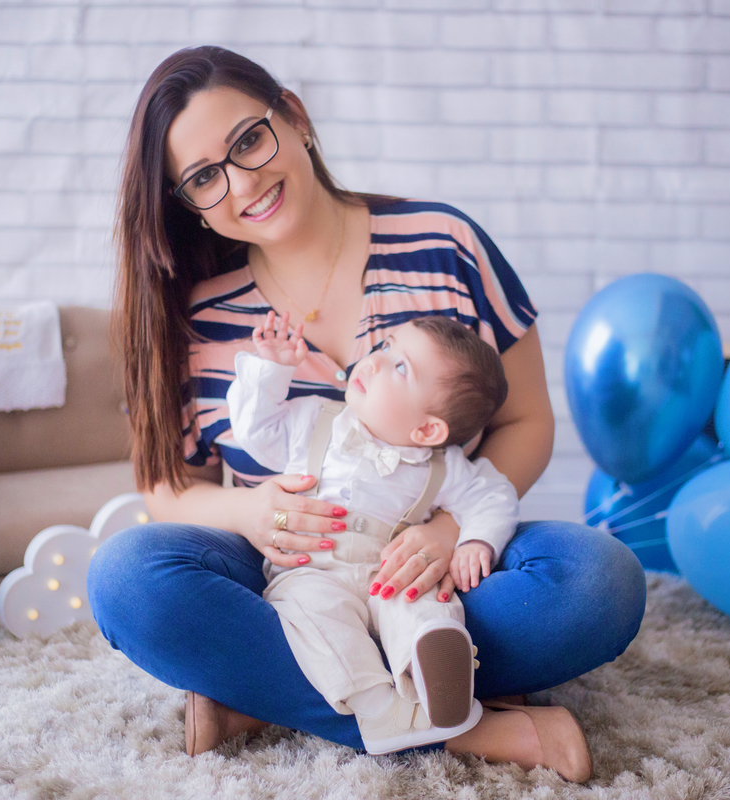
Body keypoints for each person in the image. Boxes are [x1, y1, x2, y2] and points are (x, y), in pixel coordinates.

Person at [88, 44, 646, 785]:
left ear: (294, 117)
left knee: (600, 581)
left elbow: (527, 421)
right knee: (127, 579)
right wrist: (250, 512)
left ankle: (265, 697)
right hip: (289, 576)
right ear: (186, 202)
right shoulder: (199, 316)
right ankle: (467, 726)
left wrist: (448, 530)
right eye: (203, 178)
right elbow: (168, 488)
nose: (242, 182)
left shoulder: (444, 245)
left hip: (436, 576)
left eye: (248, 141)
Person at [230, 310, 519, 754]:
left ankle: (435, 669)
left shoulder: (442, 466)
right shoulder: (315, 419)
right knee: (312, 615)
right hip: (310, 569)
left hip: (388, 573)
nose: (375, 360)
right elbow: (256, 430)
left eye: (400, 367)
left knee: (421, 601)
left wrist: (475, 540)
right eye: (385, 346)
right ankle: (380, 708)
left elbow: (494, 495)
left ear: (428, 429)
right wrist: (271, 369)